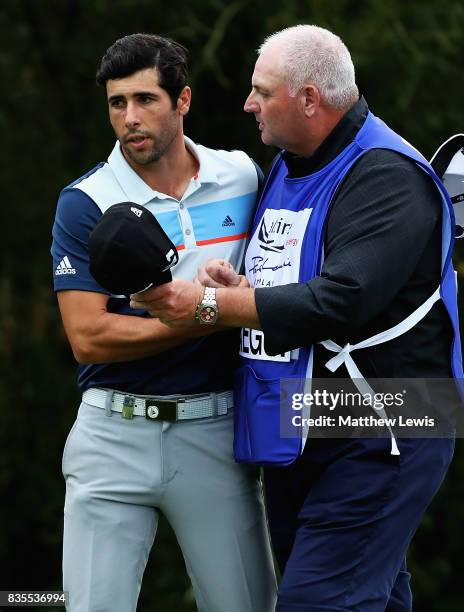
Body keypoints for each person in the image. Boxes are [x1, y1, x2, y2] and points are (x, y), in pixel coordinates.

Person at [132, 25, 464, 611]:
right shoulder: (290, 163)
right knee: (370, 599)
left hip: (383, 430)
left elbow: (338, 299)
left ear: (310, 100)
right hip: (304, 429)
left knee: (316, 602)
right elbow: (298, 277)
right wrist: (242, 286)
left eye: (262, 91)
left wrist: (212, 305)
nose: (248, 103)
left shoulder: (388, 178)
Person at [50, 33, 276, 612]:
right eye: (116, 103)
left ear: (183, 101)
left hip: (216, 431)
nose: (129, 118)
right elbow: (89, 337)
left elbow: (277, 280)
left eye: (146, 100)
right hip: (111, 436)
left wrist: (232, 301)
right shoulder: (86, 200)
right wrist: (207, 316)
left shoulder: (244, 176)